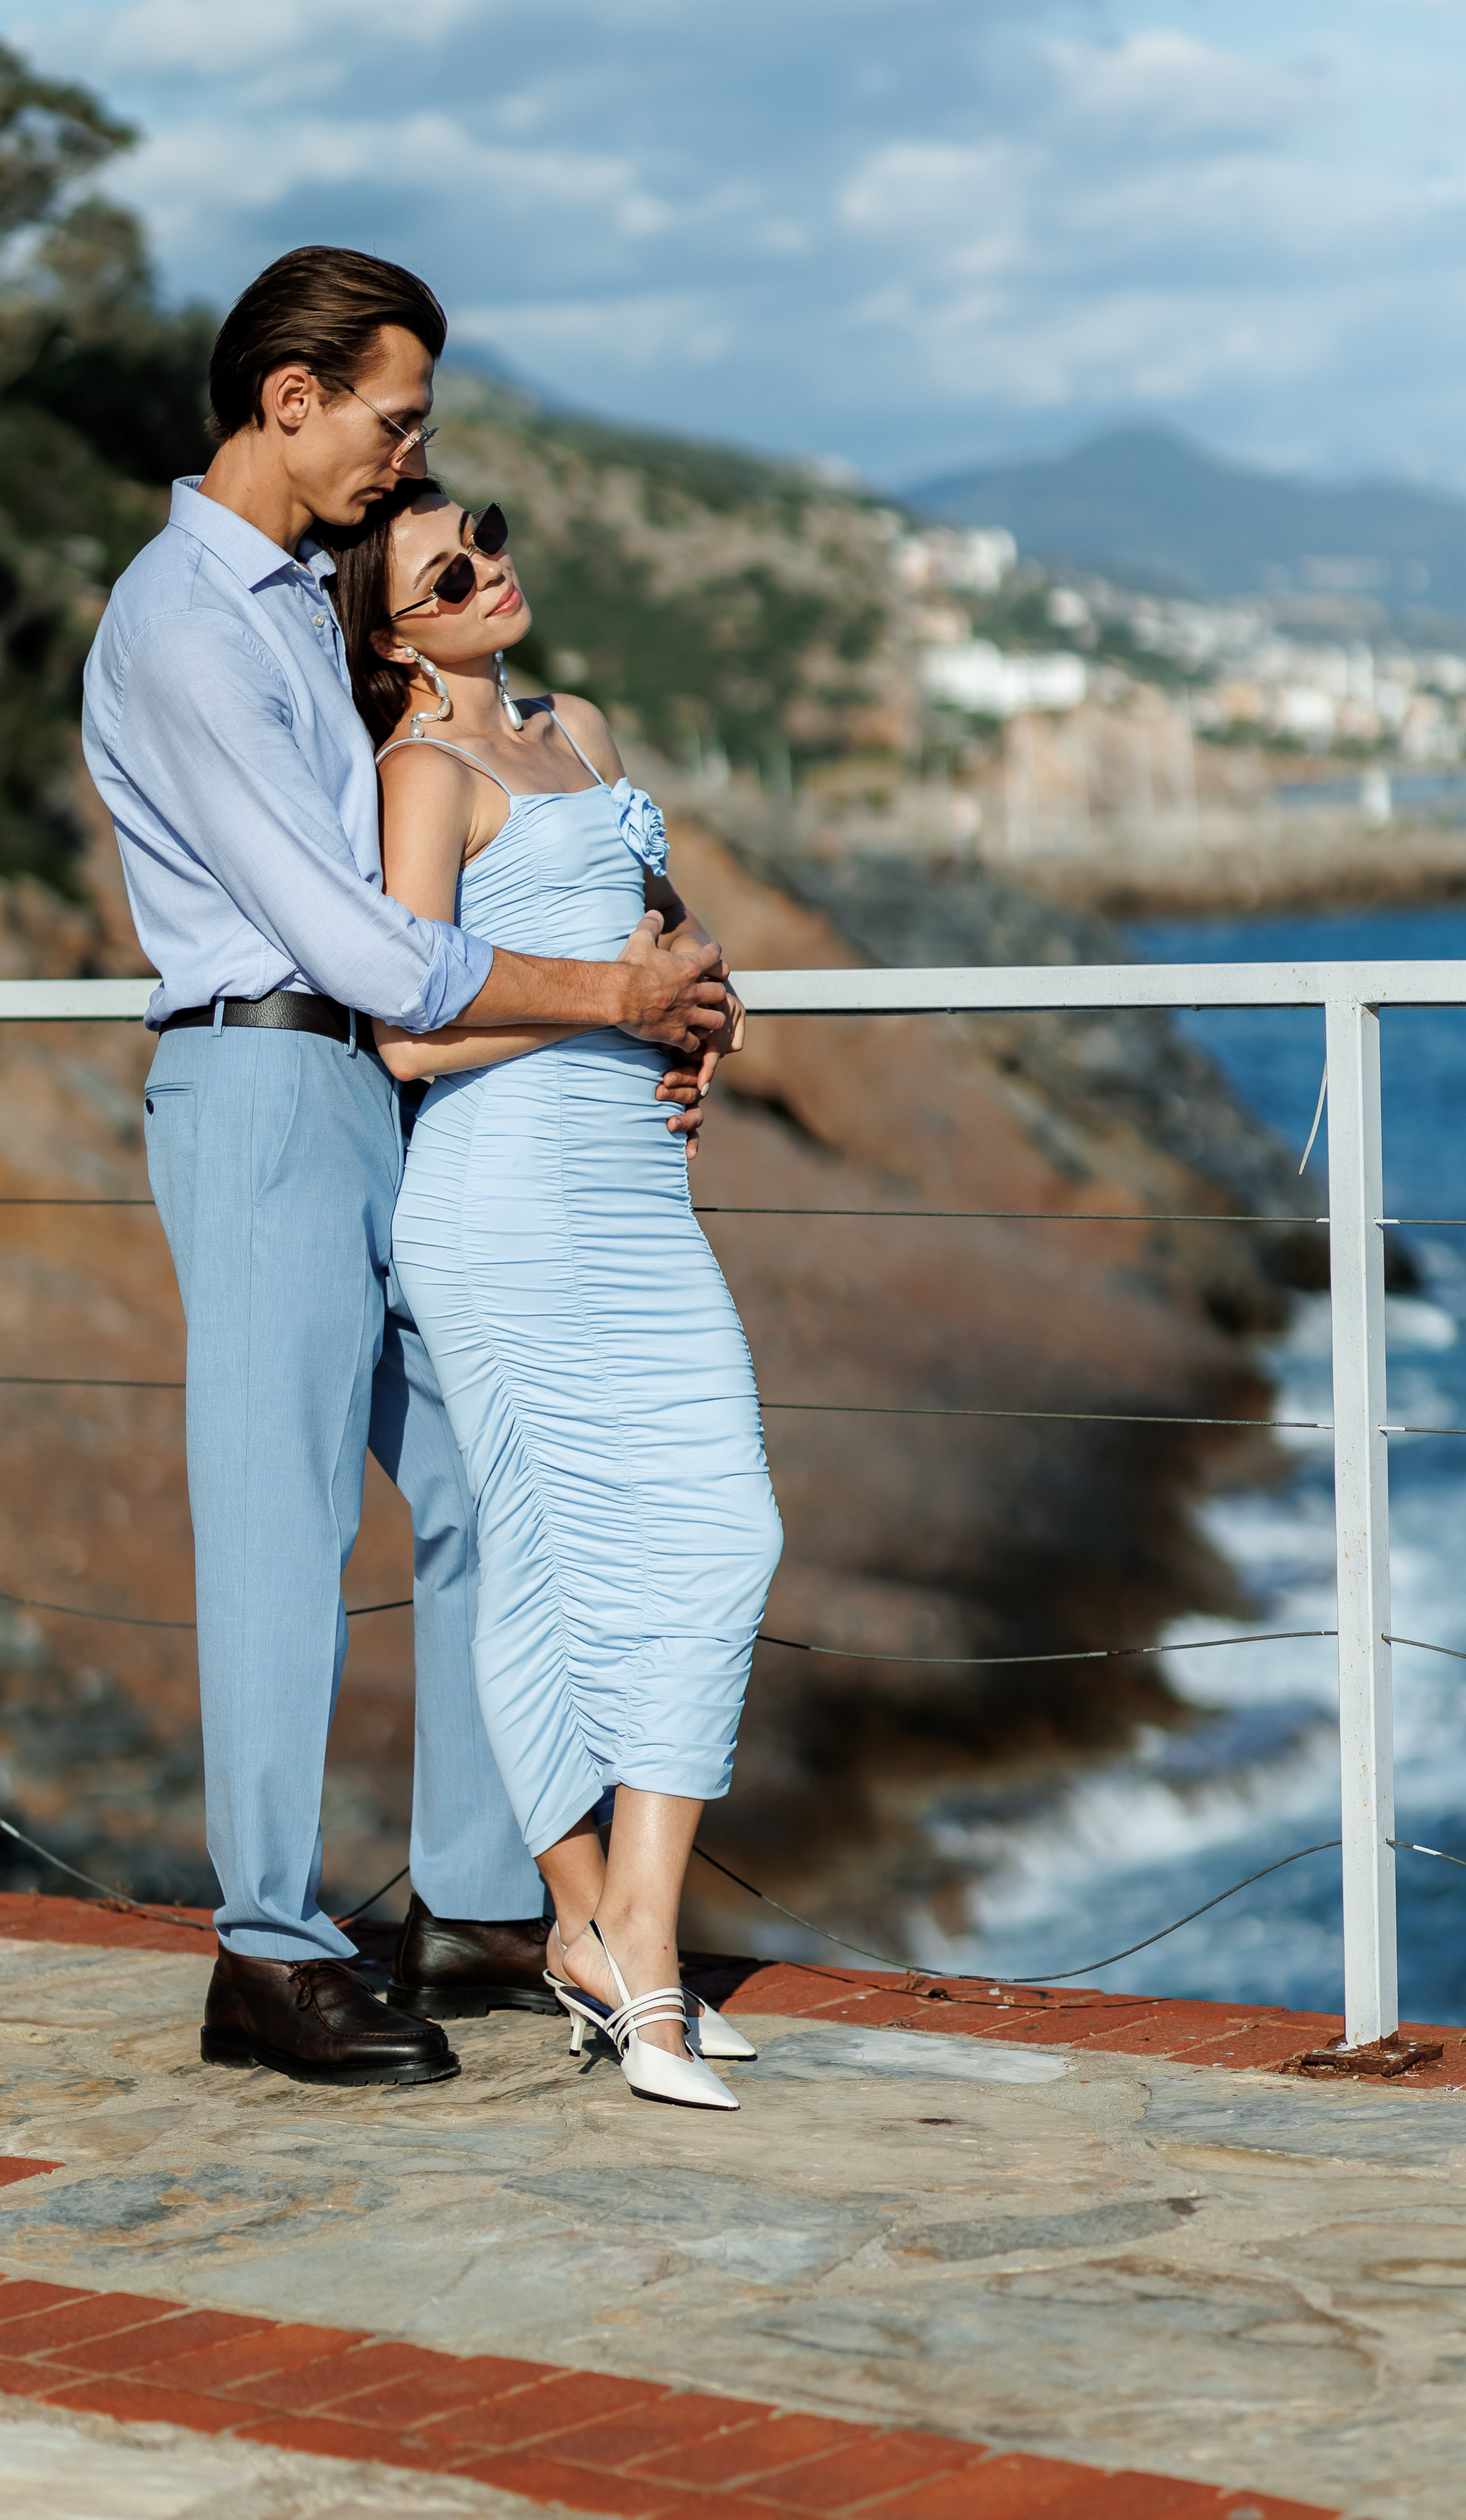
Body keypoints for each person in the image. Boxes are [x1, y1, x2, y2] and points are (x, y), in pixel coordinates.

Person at [81, 247, 732, 2090]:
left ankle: (466, 1886)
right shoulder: (188, 624)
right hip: (268, 1087)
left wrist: (651, 999)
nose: (412, 452)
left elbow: (472, 877)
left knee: (478, 1473)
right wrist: (609, 996)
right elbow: (361, 947)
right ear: (292, 401)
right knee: (280, 1517)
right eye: (397, 416)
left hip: (379, 1103)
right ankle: (270, 1952)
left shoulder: (302, 597)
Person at [323, 474, 782, 2110]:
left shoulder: (575, 728)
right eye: (446, 572)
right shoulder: (421, 772)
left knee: (723, 1529)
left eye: (489, 539)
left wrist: (693, 999)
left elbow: (645, 932)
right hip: (503, 1199)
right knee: (534, 1555)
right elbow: (409, 1033)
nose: (486, 572)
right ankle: (626, 1948)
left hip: (633, 1196)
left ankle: (611, 1938)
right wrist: (615, 1012)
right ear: (390, 629)